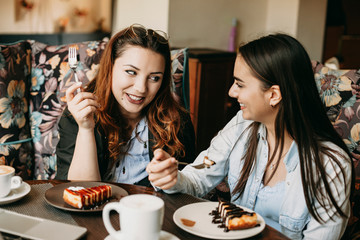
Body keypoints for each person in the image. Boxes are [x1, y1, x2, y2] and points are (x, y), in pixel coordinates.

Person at [146, 33, 354, 239]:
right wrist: (172, 178)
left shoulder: (331, 165)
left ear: (274, 95)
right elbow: (199, 176)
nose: (231, 92)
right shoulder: (241, 126)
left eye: (240, 84)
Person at [56, 24, 195, 187]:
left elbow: (188, 188)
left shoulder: (177, 121)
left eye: (154, 78)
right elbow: (80, 192)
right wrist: (86, 129)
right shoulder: (79, 114)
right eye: (131, 72)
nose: (141, 88)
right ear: (110, 67)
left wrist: (174, 179)